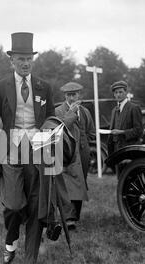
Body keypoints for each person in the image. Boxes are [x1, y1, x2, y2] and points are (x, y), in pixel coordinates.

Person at [0, 32, 56, 264]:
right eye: (20, 59)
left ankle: (30, 258)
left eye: (29, 58)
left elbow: (50, 122)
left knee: (37, 204)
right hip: (10, 149)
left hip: (38, 152)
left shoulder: (44, 87)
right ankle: (11, 240)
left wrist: (51, 151)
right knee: (14, 205)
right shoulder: (0, 87)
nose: (25, 63)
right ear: (11, 60)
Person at [55, 82, 95, 230]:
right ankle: (68, 218)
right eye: (68, 95)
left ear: (79, 95)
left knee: (80, 183)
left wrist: (86, 145)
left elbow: (90, 130)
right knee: (67, 184)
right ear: (64, 96)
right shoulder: (58, 111)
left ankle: (74, 216)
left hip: (83, 153)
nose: (72, 97)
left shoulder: (84, 111)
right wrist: (71, 112)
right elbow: (61, 127)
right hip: (67, 153)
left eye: (74, 94)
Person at [107, 81, 143, 175]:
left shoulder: (134, 108)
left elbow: (138, 131)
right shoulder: (114, 110)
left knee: (132, 178)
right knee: (120, 179)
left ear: (126, 92)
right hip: (116, 151)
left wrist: (122, 132)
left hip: (130, 150)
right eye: (116, 93)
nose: (118, 95)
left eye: (120, 92)